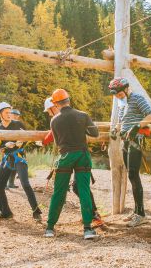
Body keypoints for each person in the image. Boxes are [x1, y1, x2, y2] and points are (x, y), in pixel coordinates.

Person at [44, 89, 99, 239]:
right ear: (69, 100)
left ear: (55, 103)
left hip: (65, 157)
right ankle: (87, 229)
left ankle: (50, 227)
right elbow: (95, 134)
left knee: (59, 192)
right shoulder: (83, 116)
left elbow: (57, 141)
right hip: (82, 156)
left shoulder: (54, 120)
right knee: (84, 190)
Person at [109, 77, 151, 228]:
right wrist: (116, 129)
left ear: (126, 89)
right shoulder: (122, 102)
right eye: (116, 95)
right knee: (131, 175)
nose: (118, 97)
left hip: (136, 140)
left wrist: (138, 125)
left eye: (119, 94)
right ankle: (136, 211)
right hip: (125, 141)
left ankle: (141, 215)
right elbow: (122, 120)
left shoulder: (137, 98)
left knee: (133, 175)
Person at [0, 102, 41, 221]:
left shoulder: (18, 124)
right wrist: (6, 145)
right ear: (0, 114)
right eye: (6, 112)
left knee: (25, 184)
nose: (9, 114)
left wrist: (22, 142)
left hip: (19, 157)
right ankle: (6, 212)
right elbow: (0, 146)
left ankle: (36, 211)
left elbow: (27, 137)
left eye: (10, 112)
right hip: (8, 158)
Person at [6, 109, 22, 188]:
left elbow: (24, 134)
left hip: (17, 148)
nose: (15, 116)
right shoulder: (7, 123)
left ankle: (11, 183)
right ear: (10, 115)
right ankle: (4, 184)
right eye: (14, 115)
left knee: (15, 166)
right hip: (7, 148)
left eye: (17, 115)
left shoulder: (19, 124)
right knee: (7, 166)